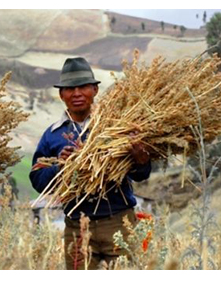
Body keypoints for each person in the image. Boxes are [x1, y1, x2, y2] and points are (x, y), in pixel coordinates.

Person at [29, 57, 152, 270]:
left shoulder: (116, 127)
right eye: (70, 88)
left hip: (119, 221)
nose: (77, 93)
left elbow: (141, 174)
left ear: (95, 90)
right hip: (77, 226)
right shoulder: (52, 136)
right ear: (61, 94)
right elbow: (37, 179)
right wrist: (61, 167)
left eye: (83, 87)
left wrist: (141, 160)